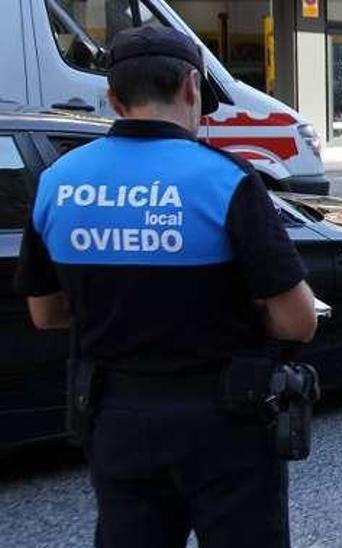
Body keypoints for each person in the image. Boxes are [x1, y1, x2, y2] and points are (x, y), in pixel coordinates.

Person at [14, 26, 317, 548]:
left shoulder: (58, 181)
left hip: (114, 417)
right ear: (192, 87)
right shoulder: (227, 180)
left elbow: (45, 315)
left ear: (112, 98)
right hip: (224, 421)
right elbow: (298, 320)